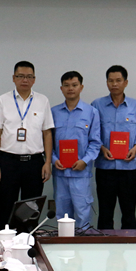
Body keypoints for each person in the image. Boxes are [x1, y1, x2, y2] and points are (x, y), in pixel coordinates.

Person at [0, 61, 54, 230]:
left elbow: (47, 133)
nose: (25, 80)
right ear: (13, 78)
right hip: (8, 162)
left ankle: (27, 243)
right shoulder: (2, 100)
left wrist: (47, 162)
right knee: (6, 208)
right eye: (20, 76)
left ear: (34, 79)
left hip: (34, 163)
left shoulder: (42, 101)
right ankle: (4, 243)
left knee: (30, 212)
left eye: (29, 77)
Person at [91, 65, 136, 230]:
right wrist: (102, 148)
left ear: (125, 82)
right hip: (105, 167)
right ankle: (104, 243)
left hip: (128, 168)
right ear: (106, 82)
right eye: (111, 81)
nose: (114, 84)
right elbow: (92, 133)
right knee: (105, 213)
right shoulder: (97, 105)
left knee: (129, 213)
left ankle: (129, 244)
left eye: (118, 80)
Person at [51, 71, 101, 229]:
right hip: (60, 173)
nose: (70, 88)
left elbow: (95, 142)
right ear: (61, 88)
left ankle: (82, 243)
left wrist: (84, 161)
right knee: (62, 216)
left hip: (81, 174)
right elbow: (47, 142)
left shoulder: (91, 112)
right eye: (66, 85)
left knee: (82, 215)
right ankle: (63, 245)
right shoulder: (53, 112)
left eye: (74, 85)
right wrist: (53, 159)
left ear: (81, 87)